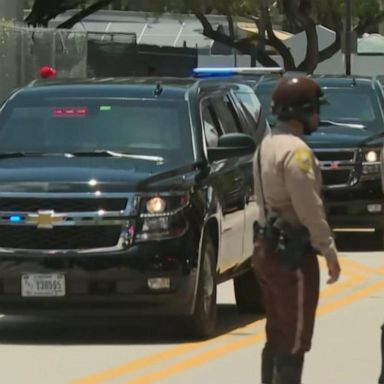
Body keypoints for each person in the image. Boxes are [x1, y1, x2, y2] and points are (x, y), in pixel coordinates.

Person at [252, 75, 341, 384]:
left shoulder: (267, 145)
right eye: (315, 108)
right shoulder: (297, 152)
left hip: (265, 247)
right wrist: (327, 249)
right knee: (294, 339)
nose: (318, 115)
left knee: (276, 334)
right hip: (291, 255)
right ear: (301, 111)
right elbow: (308, 208)